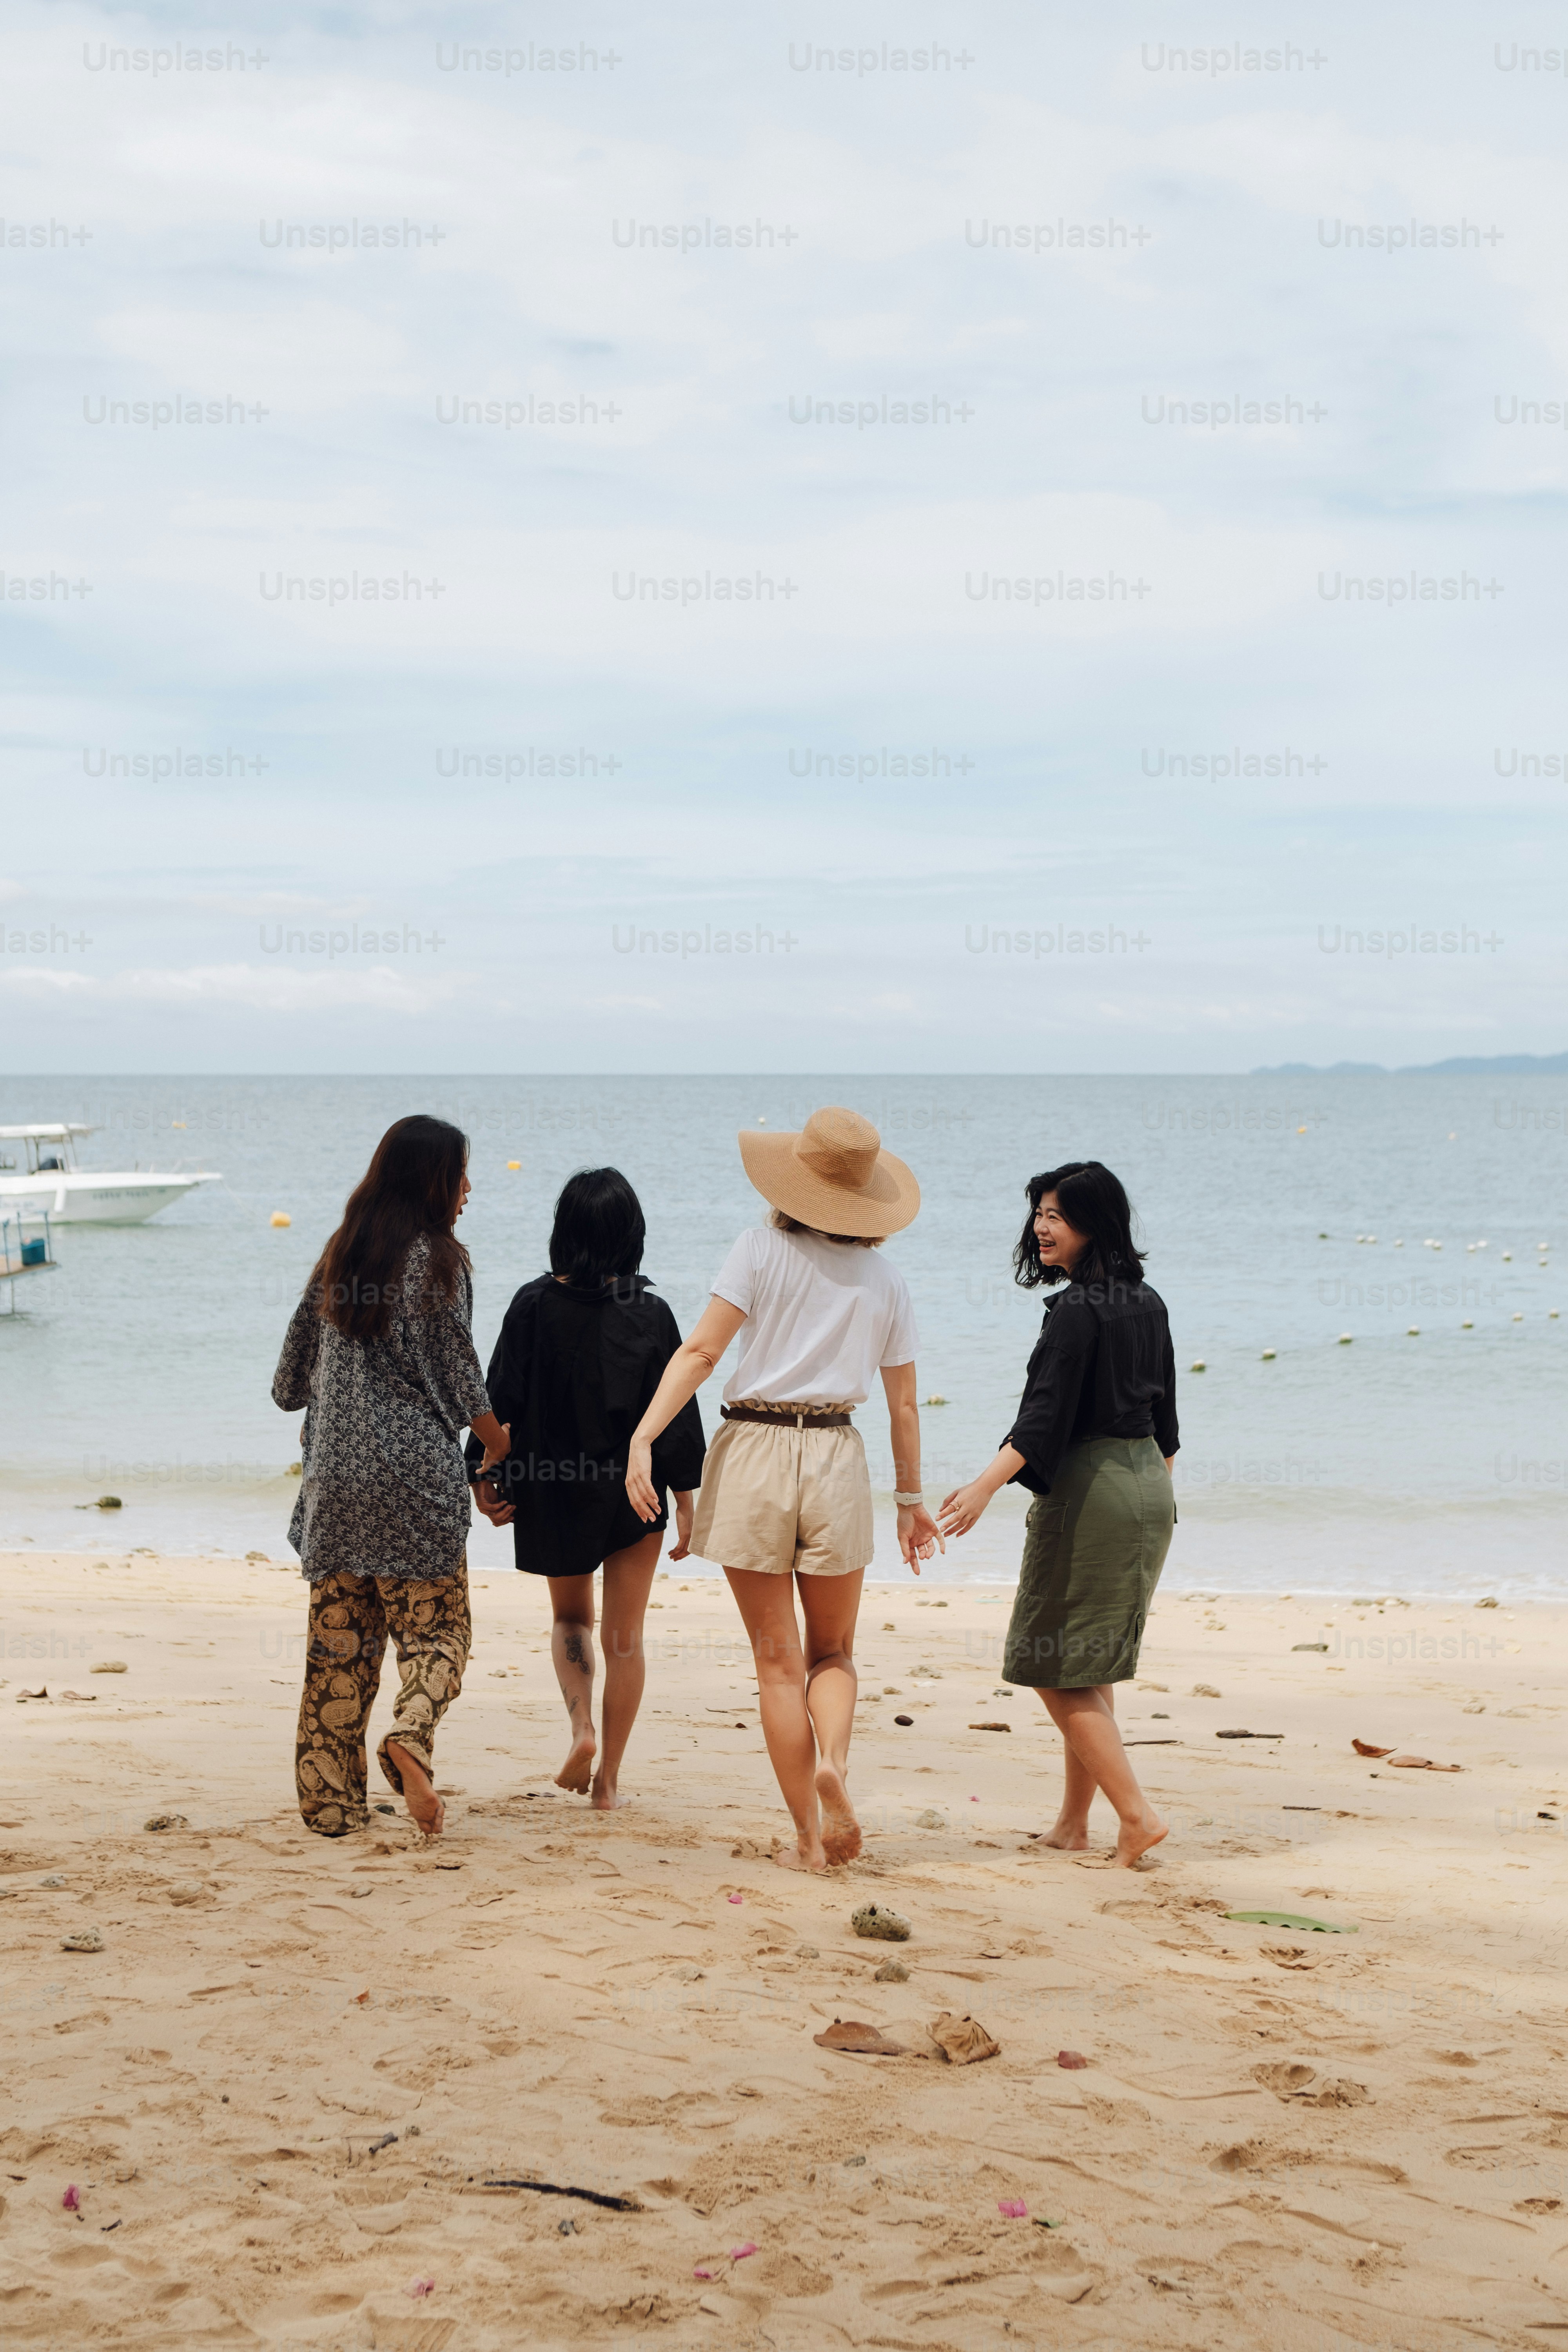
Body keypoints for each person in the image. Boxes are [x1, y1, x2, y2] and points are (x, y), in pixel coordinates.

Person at [625, 1106, 944, 1873]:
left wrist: (642, 1437)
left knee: (776, 1662)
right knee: (832, 1653)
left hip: (755, 1449)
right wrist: (909, 1503)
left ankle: (806, 1835)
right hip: (835, 1451)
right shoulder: (887, 1279)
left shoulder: (757, 1250)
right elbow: (902, 1405)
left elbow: (701, 1351)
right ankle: (832, 1759)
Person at [272, 1114, 510, 1840]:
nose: (469, 1188)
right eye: (461, 1174)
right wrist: (499, 1444)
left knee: (339, 1653)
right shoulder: (438, 1261)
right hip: (411, 1490)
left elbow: (289, 1380)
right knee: (440, 1635)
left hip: (337, 1487)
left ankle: (331, 1807)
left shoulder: (341, 1254)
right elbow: (457, 1374)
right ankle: (410, 1734)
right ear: (433, 1179)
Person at [938, 1161, 1178, 1869]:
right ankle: (1075, 1825)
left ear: (1095, 1225)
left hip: (1095, 1487)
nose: (1043, 1227)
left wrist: (983, 1487)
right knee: (1090, 1666)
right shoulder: (1149, 1300)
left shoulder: (1078, 1312)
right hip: (1146, 1489)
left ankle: (1136, 1816)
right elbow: (1166, 1419)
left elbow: (1042, 1420)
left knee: (1050, 1661)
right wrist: (1157, 1503)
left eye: (1058, 1216)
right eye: (1040, 1213)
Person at [466, 1167, 705, 1809]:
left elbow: (497, 1398)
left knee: (572, 1618)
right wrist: (687, 1496)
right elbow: (678, 1412)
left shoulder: (532, 1304)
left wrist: (482, 1475)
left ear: (562, 1232)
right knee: (625, 1638)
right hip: (635, 1492)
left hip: (553, 1488)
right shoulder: (651, 1312)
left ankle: (581, 1728)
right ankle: (609, 1785)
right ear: (633, 1235)